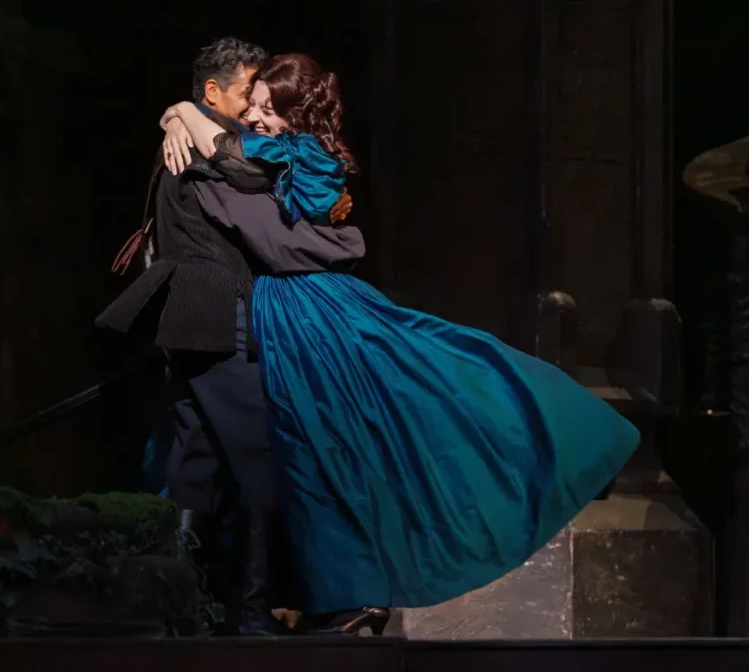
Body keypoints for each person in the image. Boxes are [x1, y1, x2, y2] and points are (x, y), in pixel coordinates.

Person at [158, 52, 641, 635]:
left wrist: (189, 113)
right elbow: (258, 195)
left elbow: (280, 236)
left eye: (268, 108)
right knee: (316, 455)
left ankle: (561, 441)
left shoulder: (294, 155)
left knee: (424, 384)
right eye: (251, 105)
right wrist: (180, 113)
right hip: (286, 322)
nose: (255, 118)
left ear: (297, 113)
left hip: (314, 315)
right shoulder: (243, 157)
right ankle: (315, 597)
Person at [96, 38, 356, 636]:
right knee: (260, 459)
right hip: (217, 318)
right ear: (213, 92)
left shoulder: (186, 135)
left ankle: (183, 607)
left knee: (196, 460)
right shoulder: (206, 143)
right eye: (244, 94)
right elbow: (247, 167)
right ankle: (252, 610)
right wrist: (181, 112)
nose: (250, 109)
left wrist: (175, 112)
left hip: (190, 323)